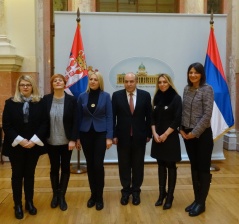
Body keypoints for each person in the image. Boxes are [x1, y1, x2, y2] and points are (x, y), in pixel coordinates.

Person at [2, 75, 47, 219]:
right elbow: (7, 126)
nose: (25, 87)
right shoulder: (10, 103)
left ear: (32, 86)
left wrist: (33, 141)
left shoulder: (40, 103)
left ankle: (29, 202)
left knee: (29, 175)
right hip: (16, 146)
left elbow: (44, 124)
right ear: (18, 87)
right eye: (22, 85)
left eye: (28, 84)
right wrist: (21, 141)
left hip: (33, 145)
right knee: (17, 176)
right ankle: (18, 204)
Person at [112, 72, 152, 206]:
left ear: (136, 82)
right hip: (122, 137)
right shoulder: (116, 96)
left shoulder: (145, 96)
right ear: (124, 82)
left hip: (140, 137)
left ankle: (136, 192)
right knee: (123, 166)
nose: (129, 84)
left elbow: (149, 117)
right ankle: (125, 192)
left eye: (131, 81)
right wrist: (113, 135)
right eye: (126, 81)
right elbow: (112, 117)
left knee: (137, 166)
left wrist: (148, 134)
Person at [180, 62, 214, 217]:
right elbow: (183, 110)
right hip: (187, 135)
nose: (193, 75)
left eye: (196, 72)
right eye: (190, 72)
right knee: (194, 166)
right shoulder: (187, 89)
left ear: (201, 74)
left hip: (202, 135)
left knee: (203, 168)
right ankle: (196, 200)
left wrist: (194, 132)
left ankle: (202, 203)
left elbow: (207, 115)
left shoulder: (207, 89)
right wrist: (181, 129)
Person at [77, 70, 113, 211]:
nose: (92, 81)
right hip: (86, 134)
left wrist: (109, 137)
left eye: (95, 79)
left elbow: (110, 116)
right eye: (91, 79)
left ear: (100, 82)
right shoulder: (81, 97)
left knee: (98, 165)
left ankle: (100, 197)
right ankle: (92, 195)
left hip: (100, 134)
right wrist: (77, 138)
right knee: (90, 166)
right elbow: (78, 118)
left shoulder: (106, 96)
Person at [43, 74, 78, 211]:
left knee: (65, 168)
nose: (57, 82)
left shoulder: (71, 100)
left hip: (66, 141)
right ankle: (55, 195)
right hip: (50, 141)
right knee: (53, 168)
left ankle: (62, 196)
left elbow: (76, 121)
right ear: (52, 84)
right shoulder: (45, 100)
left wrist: (73, 139)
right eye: (55, 81)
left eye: (60, 80)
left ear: (65, 84)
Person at [151, 74, 182, 210]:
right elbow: (152, 118)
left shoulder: (176, 98)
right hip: (157, 137)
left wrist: (165, 134)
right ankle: (161, 194)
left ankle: (170, 196)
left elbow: (177, 119)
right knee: (160, 165)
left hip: (170, 137)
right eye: (160, 82)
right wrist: (154, 133)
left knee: (170, 165)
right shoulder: (156, 98)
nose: (162, 84)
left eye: (165, 82)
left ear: (169, 83)